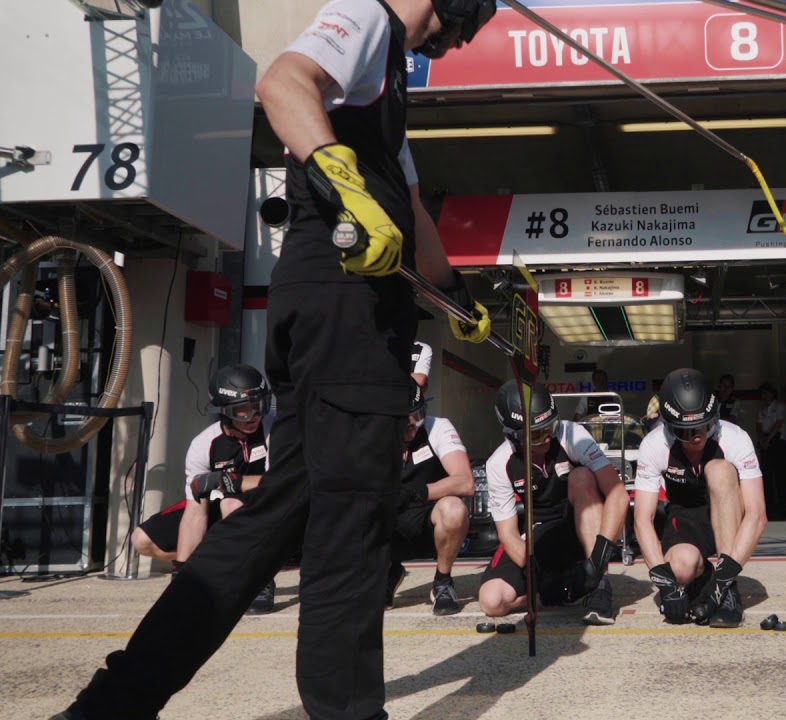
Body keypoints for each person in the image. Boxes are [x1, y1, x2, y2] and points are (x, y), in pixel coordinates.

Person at [57, 2, 498, 718]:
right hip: (345, 313)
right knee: (353, 527)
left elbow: (411, 209)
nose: (455, 44)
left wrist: (457, 295)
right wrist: (340, 180)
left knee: (277, 515)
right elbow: (284, 82)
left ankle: (113, 704)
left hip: (342, 315)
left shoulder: (388, 89)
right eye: (465, 27)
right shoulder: (368, 15)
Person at [478, 380, 628, 626]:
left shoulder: (572, 435)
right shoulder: (499, 463)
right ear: (515, 435)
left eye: (551, 426)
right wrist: (538, 575)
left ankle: (600, 585)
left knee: (582, 477)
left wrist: (597, 563)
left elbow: (618, 493)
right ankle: (549, 594)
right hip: (537, 536)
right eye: (538, 434)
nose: (548, 438)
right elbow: (507, 534)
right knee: (492, 601)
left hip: (577, 525)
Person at [131, 364, 277, 616]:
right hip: (225, 511)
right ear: (225, 410)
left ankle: (259, 577)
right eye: (243, 409)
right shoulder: (203, 445)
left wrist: (233, 482)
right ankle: (216, 565)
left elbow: (284, 481)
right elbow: (195, 512)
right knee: (142, 540)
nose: (253, 415)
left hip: (272, 509)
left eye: (259, 405)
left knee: (231, 502)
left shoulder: (276, 428)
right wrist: (181, 573)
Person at [633, 368, 768, 629]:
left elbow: (757, 515)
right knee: (680, 569)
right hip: (685, 513)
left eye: (705, 426)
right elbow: (642, 520)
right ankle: (704, 576)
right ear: (668, 426)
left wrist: (724, 580)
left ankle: (728, 590)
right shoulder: (653, 445)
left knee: (719, 470)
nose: (697, 437)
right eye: (686, 432)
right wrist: (665, 584)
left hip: (729, 510)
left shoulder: (736, 438)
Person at [385, 382, 474, 614]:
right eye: (407, 422)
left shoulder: (438, 427)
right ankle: (384, 572)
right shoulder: (374, 436)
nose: (414, 426)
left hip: (429, 522)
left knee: (454, 509)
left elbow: (465, 481)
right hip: (388, 523)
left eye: (419, 416)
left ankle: (442, 582)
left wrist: (417, 492)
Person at [755, 382, 786, 509]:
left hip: (777, 441)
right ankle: (769, 505)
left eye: (767, 393)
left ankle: (783, 505)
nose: (764, 396)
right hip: (765, 441)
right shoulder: (762, 409)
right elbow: (758, 425)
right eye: (763, 393)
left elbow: (779, 424)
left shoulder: (779, 406)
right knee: (767, 474)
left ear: (772, 393)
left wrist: (768, 440)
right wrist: (762, 439)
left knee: (780, 475)